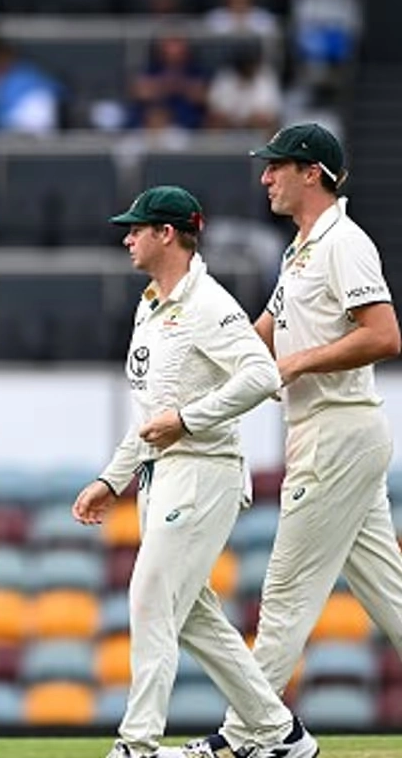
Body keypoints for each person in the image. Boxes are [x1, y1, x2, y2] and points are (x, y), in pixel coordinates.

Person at [70, 185, 318, 758]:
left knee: (151, 598)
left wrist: (188, 419)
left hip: (204, 471)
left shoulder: (208, 303)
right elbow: (148, 413)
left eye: (138, 228)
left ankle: (136, 744)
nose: (127, 237)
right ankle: (279, 734)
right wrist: (113, 478)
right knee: (195, 617)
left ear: (167, 234)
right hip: (164, 475)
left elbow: (261, 375)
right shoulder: (152, 304)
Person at [192, 123, 402, 755]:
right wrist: (203, 376)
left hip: (335, 434)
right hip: (334, 434)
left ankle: (246, 737)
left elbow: (385, 335)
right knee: (391, 596)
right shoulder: (302, 249)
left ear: (312, 172)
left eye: (277, 166)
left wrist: (298, 363)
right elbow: (265, 335)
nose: (265, 177)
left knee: (283, 594)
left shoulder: (345, 242)